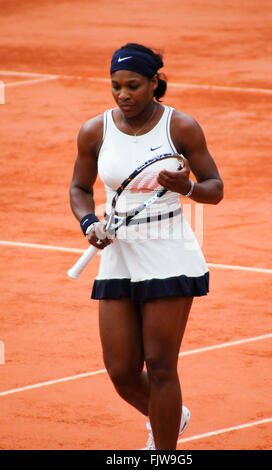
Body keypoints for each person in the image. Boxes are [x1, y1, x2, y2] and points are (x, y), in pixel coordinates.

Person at [69, 43, 223, 450]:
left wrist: (187, 187)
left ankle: (164, 450)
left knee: (159, 365)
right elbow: (79, 188)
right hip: (118, 251)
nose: (123, 95)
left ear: (155, 82)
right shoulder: (95, 130)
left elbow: (215, 189)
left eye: (134, 85)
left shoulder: (180, 127)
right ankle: (171, 416)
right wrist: (88, 223)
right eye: (116, 86)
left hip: (168, 250)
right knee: (120, 370)